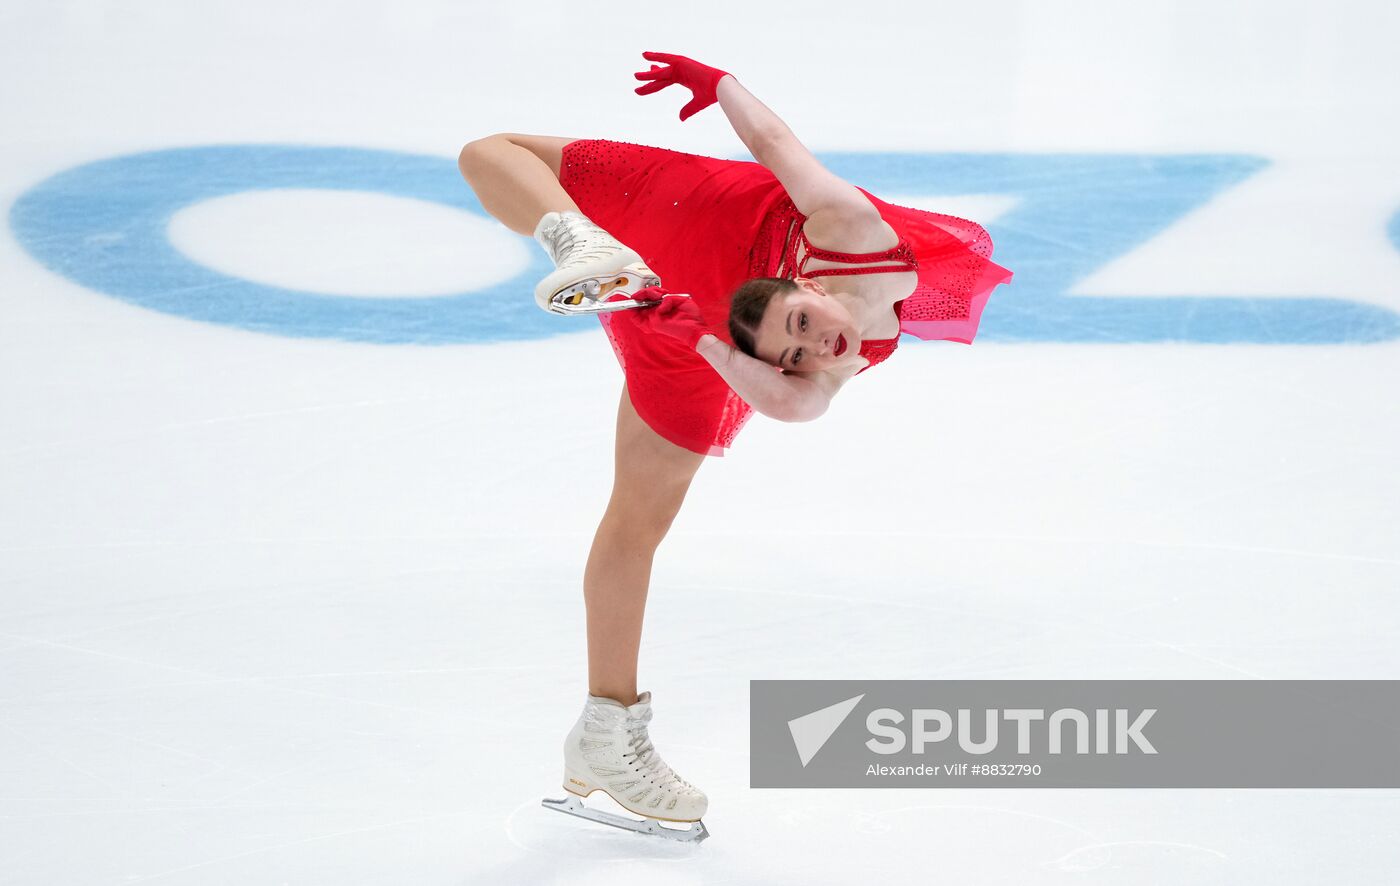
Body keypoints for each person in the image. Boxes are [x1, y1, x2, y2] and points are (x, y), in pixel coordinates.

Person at [457, 51, 1013, 842]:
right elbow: (776, 144)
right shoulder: (853, 228)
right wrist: (718, 84)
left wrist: (706, 342)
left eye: (799, 352)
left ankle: (607, 728)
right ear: (809, 283)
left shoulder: (793, 351)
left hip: (685, 309)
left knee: (636, 518)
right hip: (697, 214)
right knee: (487, 151)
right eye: (803, 329)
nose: (821, 347)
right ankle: (579, 240)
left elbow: (796, 402)